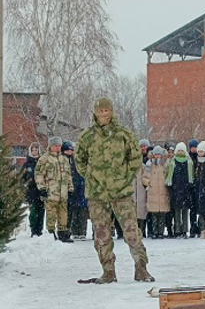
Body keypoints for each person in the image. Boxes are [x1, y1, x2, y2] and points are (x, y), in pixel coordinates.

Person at [75, 97, 154, 283]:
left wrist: (124, 179)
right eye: (100, 111)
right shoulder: (87, 137)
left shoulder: (123, 134)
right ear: (95, 112)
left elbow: (135, 159)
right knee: (101, 234)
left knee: (132, 232)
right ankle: (108, 271)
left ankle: (141, 268)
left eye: (106, 111)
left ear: (111, 112)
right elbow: (79, 161)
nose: (103, 114)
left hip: (121, 193)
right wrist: (92, 177)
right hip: (97, 194)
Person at [35, 136, 74, 242]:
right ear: (50, 146)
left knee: (63, 214)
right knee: (51, 214)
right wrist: (42, 188)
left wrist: (70, 188)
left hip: (63, 193)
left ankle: (63, 234)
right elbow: (38, 174)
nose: (57, 147)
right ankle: (51, 234)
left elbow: (68, 175)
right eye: (55, 145)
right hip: (51, 192)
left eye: (59, 146)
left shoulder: (64, 159)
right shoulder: (44, 159)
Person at [61, 140, 89, 239]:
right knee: (72, 212)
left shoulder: (77, 160)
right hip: (70, 189)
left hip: (81, 188)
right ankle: (73, 231)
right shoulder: (62, 160)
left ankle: (82, 232)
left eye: (71, 150)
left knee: (82, 212)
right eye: (68, 150)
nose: (70, 152)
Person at [165, 142, 193, 238]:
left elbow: (191, 176)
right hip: (176, 191)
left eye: (182, 150)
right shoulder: (173, 162)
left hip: (185, 191)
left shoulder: (189, 162)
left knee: (185, 212)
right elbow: (169, 175)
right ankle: (177, 230)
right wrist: (171, 187)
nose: (180, 152)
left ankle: (184, 230)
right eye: (179, 150)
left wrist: (189, 186)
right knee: (177, 212)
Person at [143, 146, 170, 238]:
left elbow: (168, 175)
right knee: (154, 215)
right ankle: (154, 232)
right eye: (156, 154)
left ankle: (161, 232)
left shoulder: (165, 164)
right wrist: (149, 183)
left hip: (163, 192)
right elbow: (144, 178)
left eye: (159, 154)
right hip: (153, 193)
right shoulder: (149, 164)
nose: (157, 156)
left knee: (162, 215)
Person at [21, 142, 44, 237]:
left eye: (36, 150)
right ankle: (33, 230)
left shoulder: (43, 162)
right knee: (33, 211)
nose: (34, 152)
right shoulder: (27, 164)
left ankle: (40, 230)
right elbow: (22, 176)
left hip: (42, 190)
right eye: (33, 150)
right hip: (31, 191)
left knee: (41, 211)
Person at [187, 139, 200, 238]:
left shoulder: (200, 157)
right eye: (192, 147)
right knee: (192, 209)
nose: (194, 149)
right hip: (191, 187)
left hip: (199, 186)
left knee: (200, 208)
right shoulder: (188, 158)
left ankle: (199, 226)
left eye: (195, 147)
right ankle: (193, 226)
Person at [164, 143, 175, 237]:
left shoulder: (175, 161)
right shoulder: (165, 161)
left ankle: (174, 229)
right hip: (165, 188)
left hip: (174, 189)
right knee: (167, 212)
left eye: (172, 152)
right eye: (169, 152)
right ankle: (168, 228)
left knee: (173, 211)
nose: (170, 154)